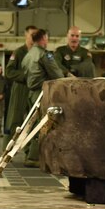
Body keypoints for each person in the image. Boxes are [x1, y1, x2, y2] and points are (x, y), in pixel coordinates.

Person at [23, 29, 64, 167]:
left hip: (30, 93)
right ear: (43, 38)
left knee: (31, 124)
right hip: (41, 93)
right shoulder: (44, 55)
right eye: (46, 38)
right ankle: (34, 157)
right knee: (41, 124)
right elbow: (57, 74)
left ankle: (28, 151)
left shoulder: (29, 54)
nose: (47, 41)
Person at [4, 25, 38, 141]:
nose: (34, 37)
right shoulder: (19, 52)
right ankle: (7, 151)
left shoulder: (38, 52)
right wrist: (25, 75)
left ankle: (30, 154)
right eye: (32, 34)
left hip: (34, 90)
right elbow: (9, 72)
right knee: (14, 119)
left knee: (32, 120)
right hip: (20, 89)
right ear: (26, 35)